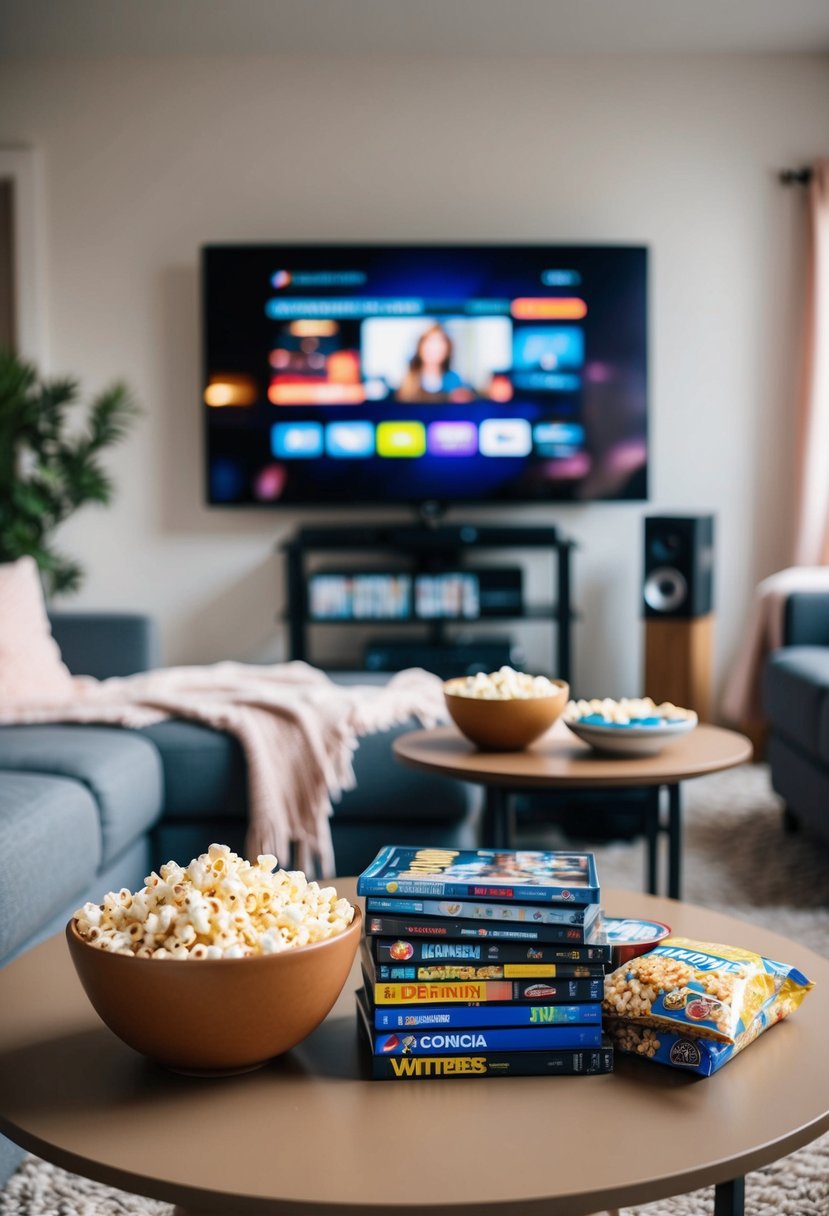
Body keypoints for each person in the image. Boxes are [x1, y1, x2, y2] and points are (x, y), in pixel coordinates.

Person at [396, 323, 474, 403]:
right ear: (420, 347)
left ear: (447, 349)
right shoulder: (408, 383)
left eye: (440, 341)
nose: (435, 348)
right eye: (430, 341)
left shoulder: (456, 382)